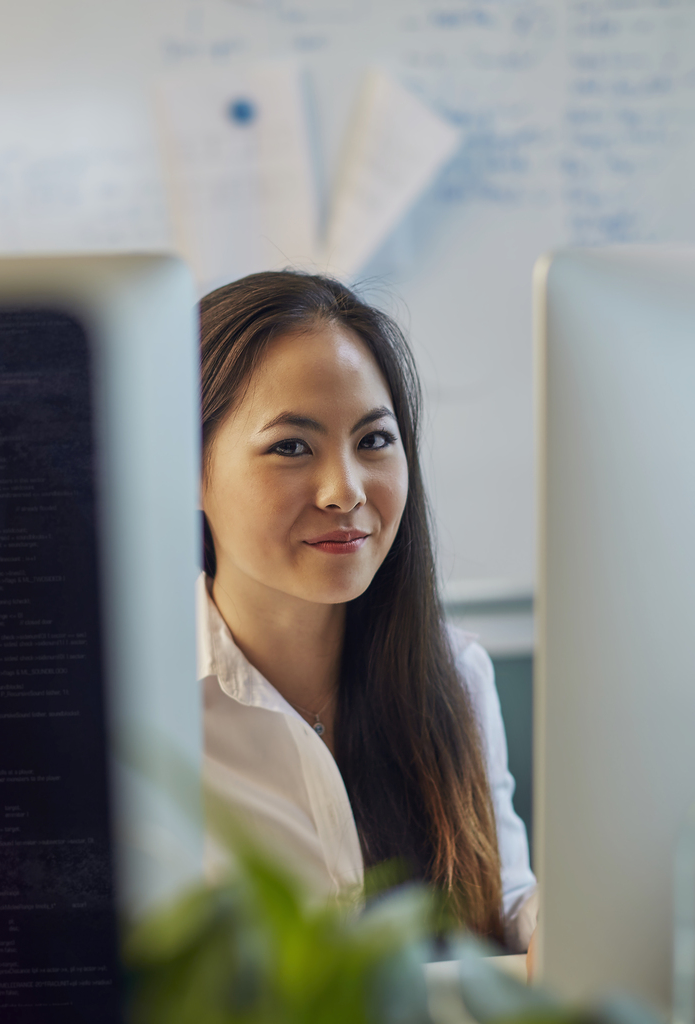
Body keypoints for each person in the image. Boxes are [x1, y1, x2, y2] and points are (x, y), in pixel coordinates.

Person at [196, 270, 538, 952]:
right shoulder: (134, 717)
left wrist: (549, 924)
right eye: (291, 447)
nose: (344, 490)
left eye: (374, 441)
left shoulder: (454, 675)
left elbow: (500, 903)